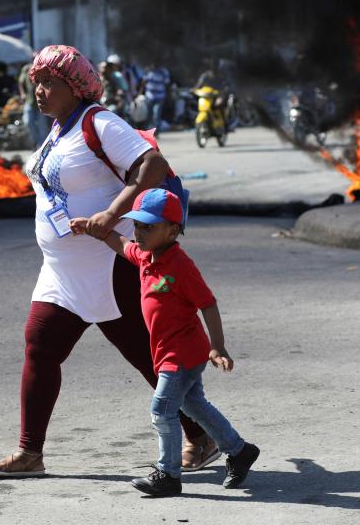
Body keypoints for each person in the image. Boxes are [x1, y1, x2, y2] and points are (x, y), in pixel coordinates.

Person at [0, 45, 218, 478]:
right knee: (39, 346)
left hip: (108, 265)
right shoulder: (58, 130)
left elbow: (153, 164)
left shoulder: (99, 123)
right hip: (62, 270)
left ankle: (203, 438)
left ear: (74, 87)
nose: (39, 90)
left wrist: (112, 213)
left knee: (148, 356)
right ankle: (30, 454)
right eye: (36, 82)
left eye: (49, 82)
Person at [70, 188, 259, 496]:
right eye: (137, 225)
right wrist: (92, 229)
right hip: (168, 351)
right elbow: (120, 244)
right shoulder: (146, 256)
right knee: (194, 404)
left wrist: (218, 346)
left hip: (183, 353)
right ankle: (239, 450)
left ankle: (168, 474)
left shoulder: (181, 266)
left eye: (149, 226)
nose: (139, 232)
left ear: (172, 230)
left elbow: (207, 303)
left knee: (161, 410)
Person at [19, 63, 49, 148]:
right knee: (28, 121)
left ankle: (41, 146)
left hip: (41, 102)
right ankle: (36, 143)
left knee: (42, 126)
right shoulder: (26, 68)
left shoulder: (44, 67)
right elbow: (21, 82)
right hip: (29, 101)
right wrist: (22, 93)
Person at [141, 63, 171, 131]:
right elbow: (143, 82)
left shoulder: (164, 72)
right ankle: (149, 131)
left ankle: (155, 131)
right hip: (149, 96)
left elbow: (167, 83)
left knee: (156, 114)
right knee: (149, 114)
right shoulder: (148, 70)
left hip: (160, 96)